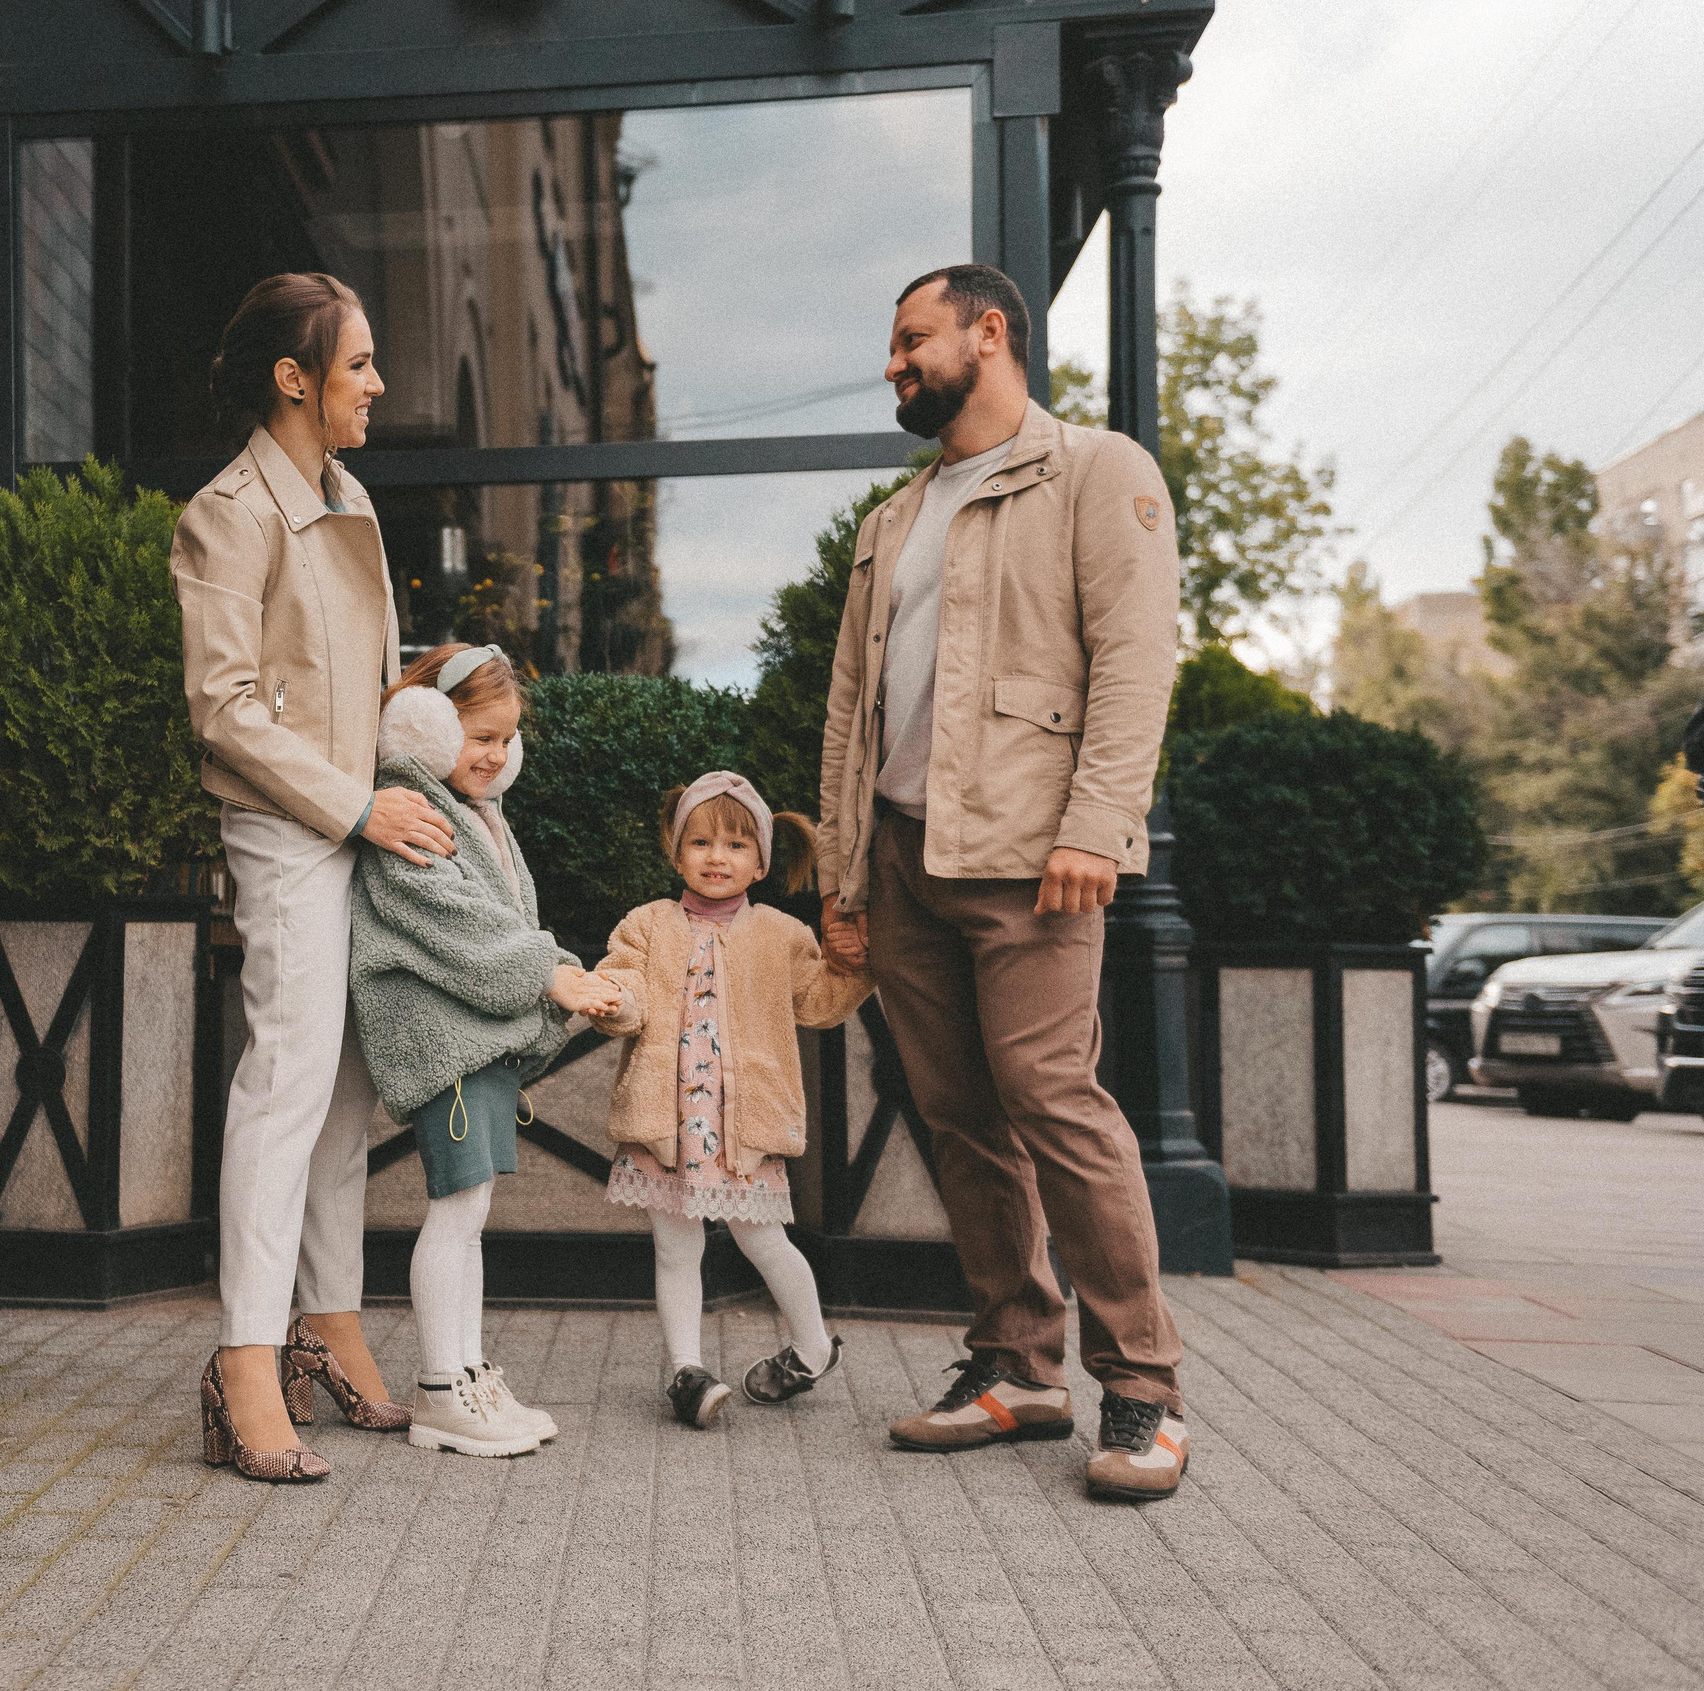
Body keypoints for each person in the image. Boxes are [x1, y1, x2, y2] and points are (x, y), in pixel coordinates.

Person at [815, 263, 1193, 1501]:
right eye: (891, 343)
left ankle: (1143, 1385)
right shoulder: (892, 519)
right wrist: (843, 871)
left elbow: (1134, 663)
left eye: (911, 337)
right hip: (903, 855)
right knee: (958, 1115)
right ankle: (1017, 1362)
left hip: (1035, 856)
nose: (893, 362)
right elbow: (850, 710)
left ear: (990, 332)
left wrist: (1098, 825)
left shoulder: (1095, 471)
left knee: (1052, 1099)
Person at [174, 272, 457, 1484]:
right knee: (285, 1084)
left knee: (344, 1092)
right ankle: (245, 1356)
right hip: (291, 829)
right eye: (358, 364)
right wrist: (353, 804)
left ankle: (328, 1324)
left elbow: (371, 680)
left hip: (363, 821)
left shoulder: (353, 498)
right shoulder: (227, 514)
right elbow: (223, 708)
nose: (378, 384)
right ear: (293, 379)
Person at [348, 642, 616, 1456]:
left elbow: (502, 921)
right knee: (457, 1210)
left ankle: (466, 1373)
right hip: (447, 1043)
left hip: (478, 1039)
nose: (497, 754)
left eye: (507, 738)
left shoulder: (478, 812)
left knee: (472, 1215)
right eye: (480, 736)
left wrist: (561, 971)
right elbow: (458, 925)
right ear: (426, 727)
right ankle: (439, 1387)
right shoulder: (412, 809)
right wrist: (551, 973)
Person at [590, 772, 869, 1427]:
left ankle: (814, 1346)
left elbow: (819, 1002)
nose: (718, 857)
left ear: (762, 862)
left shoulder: (782, 934)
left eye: (737, 845)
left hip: (743, 1128)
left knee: (765, 1241)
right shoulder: (646, 925)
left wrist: (861, 963)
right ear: (675, 851)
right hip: (666, 1125)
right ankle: (686, 1371)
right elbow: (626, 989)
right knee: (674, 1249)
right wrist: (611, 1000)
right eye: (701, 842)